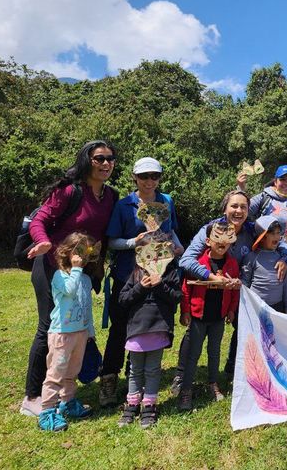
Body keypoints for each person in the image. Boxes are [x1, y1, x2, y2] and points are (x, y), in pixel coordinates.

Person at [22, 140, 119, 417]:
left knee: (75, 327)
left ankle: (66, 395)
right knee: (49, 328)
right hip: (51, 265)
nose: (105, 163)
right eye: (99, 158)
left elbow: (104, 234)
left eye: (110, 159)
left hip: (81, 269)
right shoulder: (69, 191)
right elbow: (39, 220)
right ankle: (33, 395)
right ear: (87, 160)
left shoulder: (110, 195)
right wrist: (42, 243)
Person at [174, 189, 287, 392]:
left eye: (243, 207)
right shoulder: (211, 229)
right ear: (225, 209)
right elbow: (185, 260)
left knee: (243, 329)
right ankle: (181, 376)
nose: (238, 211)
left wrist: (284, 258)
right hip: (207, 289)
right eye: (234, 206)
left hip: (239, 291)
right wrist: (211, 277)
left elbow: (277, 239)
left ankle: (233, 370)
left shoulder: (250, 230)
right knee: (194, 333)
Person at [100, 156, 183, 408]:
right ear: (135, 177)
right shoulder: (124, 205)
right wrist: (133, 242)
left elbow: (171, 230)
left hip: (159, 273)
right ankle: (109, 380)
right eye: (144, 176)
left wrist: (178, 246)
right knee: (119, 328)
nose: (150, 181)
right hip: (129, 275)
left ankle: (135, 380)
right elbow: (111, 241)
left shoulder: (166, 200)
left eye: (155, 176)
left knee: (149, 326)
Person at [37, 232, 98, 432]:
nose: (82, 256)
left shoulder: (86, 279)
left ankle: (68, 402)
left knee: (71, 373)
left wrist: (90, 332)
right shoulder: (60, 275)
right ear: (67, 252)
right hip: (62, 333)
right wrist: (77, 269)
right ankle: (46, 412)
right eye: (78, 251)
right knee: (56, 374)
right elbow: (70, 290)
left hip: (80, 333)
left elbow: (86, 306)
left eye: (86, 251)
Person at [178, 221, 241, 411]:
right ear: (207, 240)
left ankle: (213, 383)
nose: (222, 243)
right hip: (199, 317)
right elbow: (186, 288)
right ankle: (186, 389)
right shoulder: (198, 264)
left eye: (227, 240)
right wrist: (186, 311)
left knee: (215, 353)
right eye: (217, 238)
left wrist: (231, 309)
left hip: (218, 318)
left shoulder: (232, 263)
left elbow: (235, 291)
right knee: (193, 354)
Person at [117, 257, 181, 428]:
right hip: (137, 330)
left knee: (152, 370)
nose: (154, 258)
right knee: (135, 369)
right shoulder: (136, 274)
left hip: (158, 330)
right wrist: (140, 287)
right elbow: (123, 299)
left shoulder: (170, 274)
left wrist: (160, 284)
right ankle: (132, 404)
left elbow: (176, 297)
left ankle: (149, 405)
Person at [242, 215, 287, 313]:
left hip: (278, 307)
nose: (277, 237)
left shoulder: (281, 258)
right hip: (256, 306)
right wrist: (245, 309)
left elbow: (286, 287)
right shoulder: (252, 257)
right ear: (262, 238)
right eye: (272, 234)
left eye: (278, 233)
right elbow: (245, 284)